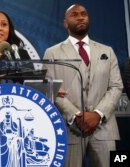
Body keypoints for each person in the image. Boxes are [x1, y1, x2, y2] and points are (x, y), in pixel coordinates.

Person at [43, 4, 123, 167]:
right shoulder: (52, 53)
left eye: (84, 14)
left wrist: (98, 114)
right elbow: (51, 89)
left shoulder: (107, 51)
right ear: (65, 23)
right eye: (75, 14)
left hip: (104, 130)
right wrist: (76, 115)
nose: (80, 17)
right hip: (69, 129)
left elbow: (116, 86)